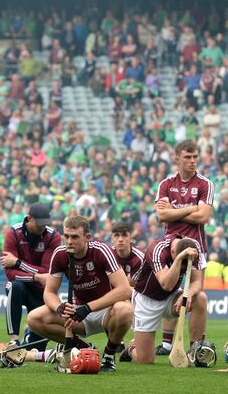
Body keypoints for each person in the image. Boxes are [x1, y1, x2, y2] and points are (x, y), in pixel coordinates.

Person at [27, 215, 133, 373]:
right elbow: (49, 293)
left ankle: (109, 357)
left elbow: (125, 289)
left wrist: (88, 308)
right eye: (66, 236)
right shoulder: (60, 254)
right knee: (34, 318)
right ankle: (85, 349)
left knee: (125, 310)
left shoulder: (100, 251)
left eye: (75, 237)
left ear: (87, 238)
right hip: (79, 314)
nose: (69, 241)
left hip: (107, 312)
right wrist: (59, 307)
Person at [154, 140, 214, 355]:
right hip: (169, 246)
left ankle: (195, 346)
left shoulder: (205, 184)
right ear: (176, 158)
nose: (192, 161)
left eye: (195, 157)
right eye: (187, 157)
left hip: (196, 247)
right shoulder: (166, 184)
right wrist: (192, 209)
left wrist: (175, 209)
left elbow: (204, 216)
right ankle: (168, 344)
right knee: (170, 290)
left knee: (197, 294)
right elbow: (162, 215)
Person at [128, 235, 207, 364]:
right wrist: (179, 259)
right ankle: (132, 348)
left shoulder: (193, 247)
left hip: (171, 297)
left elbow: (197, 281)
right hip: (146, 300)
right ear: (172, 252)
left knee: (201, 298)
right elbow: (166, 284)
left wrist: (187, 294)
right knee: (146, 360)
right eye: (181, 260)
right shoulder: (157, 249)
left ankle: (195, 351)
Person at [0, 202, 60, 344]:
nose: (42, 227)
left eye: (45, 224)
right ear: (29, 219)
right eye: (39, 224)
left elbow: (47, 271)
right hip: (22, 285)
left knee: (36, 348)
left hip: (42, 291)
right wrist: (36, 277)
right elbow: (10, 274)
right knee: (15, 286)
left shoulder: (53, 237)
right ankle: (14, 339)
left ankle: (29, 335)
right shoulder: (13, 233)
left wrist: (18, 263)